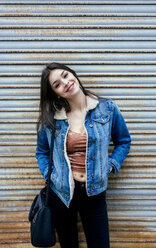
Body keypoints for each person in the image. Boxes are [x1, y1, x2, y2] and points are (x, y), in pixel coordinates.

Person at [36, 62, 131, 248]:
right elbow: (42, 152)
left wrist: (111, 165)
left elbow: (124, 141)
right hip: (61, 193)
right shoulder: (51, 118)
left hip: (95, 191)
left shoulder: (107, 108)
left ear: (73, 73)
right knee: (68, 244)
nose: (65, 82)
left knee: (100, 244)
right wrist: (50, 174)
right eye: (57, 84)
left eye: (65, 75)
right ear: (56, 93)